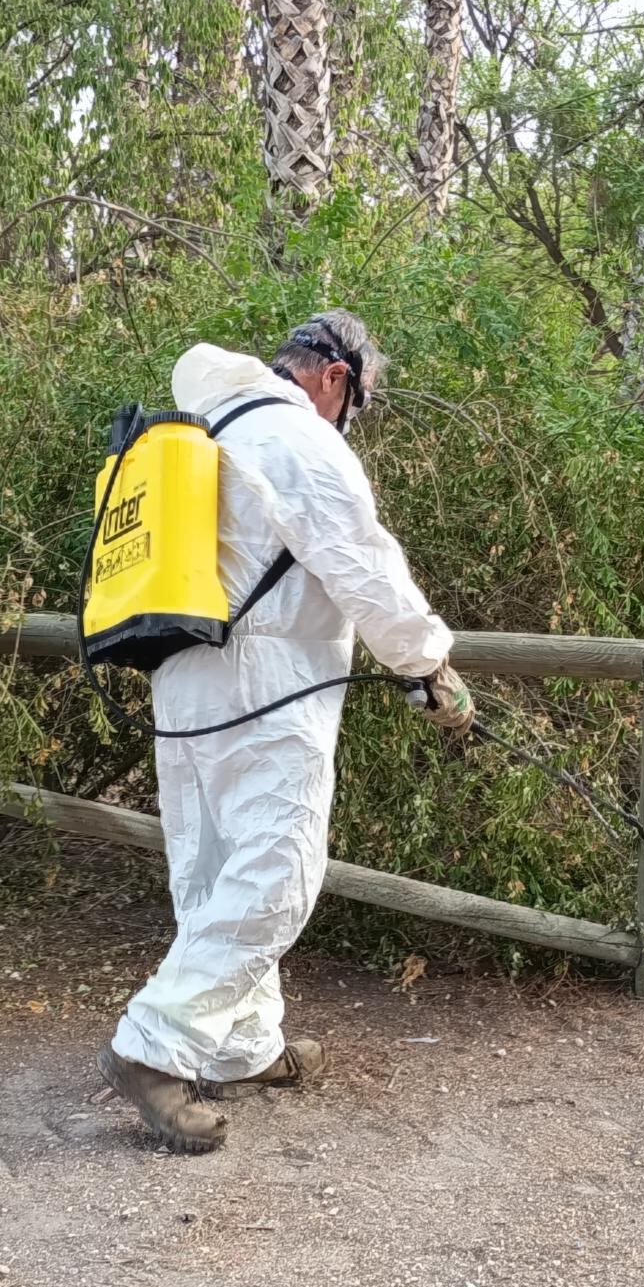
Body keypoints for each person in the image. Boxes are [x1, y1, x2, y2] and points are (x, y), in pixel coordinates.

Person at [97, 311, 473, 1153]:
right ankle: (151, 1049)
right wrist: (428, 665)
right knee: (279, 872)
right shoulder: (295, 438)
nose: (353, 421)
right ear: (337, 379)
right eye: (360, 403)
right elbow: (364, 563)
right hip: (264, 685)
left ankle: (242, 1045)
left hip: (186, 674)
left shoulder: (209, 427)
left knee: (216, 867)